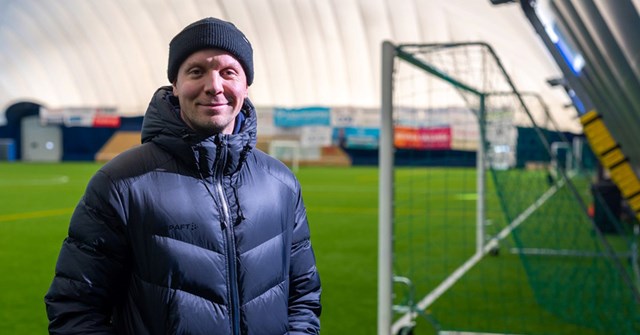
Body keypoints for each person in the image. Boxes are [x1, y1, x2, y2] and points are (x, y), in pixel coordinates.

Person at [45, 17, 321, 334]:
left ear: (246, 85)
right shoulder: (121, 184)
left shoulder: (281, 183)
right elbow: (75, 309)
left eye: (228, 72)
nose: (214, 86)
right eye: (196, 71)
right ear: (175, 86)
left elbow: (303, 298)